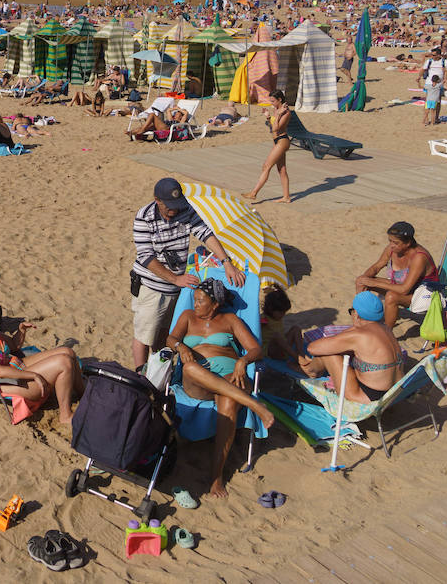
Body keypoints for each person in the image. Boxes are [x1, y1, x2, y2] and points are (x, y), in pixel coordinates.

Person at [130, 177, 247, 369]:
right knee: (145, 334)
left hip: (178, 288)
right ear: (157, 200)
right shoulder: (144, 216)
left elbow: (205, 233)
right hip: (153, 287)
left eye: (176, 206)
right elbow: (146, 257)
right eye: (169, 207)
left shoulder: (185, 208)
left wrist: (227, 262)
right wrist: (175, 278)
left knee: (165, 335)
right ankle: (140, 375)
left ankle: (159, 371)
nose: (174, 211)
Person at [164, 278, 263, 497]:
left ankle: (216, 476)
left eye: (200, 301)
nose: (196, 304)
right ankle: (252, 403)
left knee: (227, 401)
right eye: (195, 300)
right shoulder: (188, 317)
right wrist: (180, 347)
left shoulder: (230, 320)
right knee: (189, 369)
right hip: (198, 382)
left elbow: (255, 349)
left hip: (229, 377)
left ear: (215, 304)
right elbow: (170, 338)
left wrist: (242, 361)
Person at [0, 301, 85, 424]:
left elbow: (13, 345)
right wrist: (34, 375)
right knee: (64, 363)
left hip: (18, 366)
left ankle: (83, 393)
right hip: (9, 381)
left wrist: (21, 330)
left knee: (68, 352)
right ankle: (65, 415)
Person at [306, 292, 405, 403]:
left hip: (369, 396)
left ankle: (310, 371)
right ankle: (311, 368)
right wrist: (353, 329)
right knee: (341, 349)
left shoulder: (359, 336)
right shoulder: (386, 328)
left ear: (356, 313)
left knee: (329, 354)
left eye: (351, 311)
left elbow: (312, 348)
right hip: (394, 391)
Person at [354, 221, 438, 327]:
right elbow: (376, 267)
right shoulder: (392, 249)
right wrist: (365, 278)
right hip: (401, 286)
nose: (391, 245)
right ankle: (361, 320)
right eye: (390, 241)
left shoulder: (419, 257)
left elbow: (404, 289)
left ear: (408, 243)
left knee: (391, 297)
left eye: (396, 243)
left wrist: (373, 283)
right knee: (361, 281)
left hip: (422, 295)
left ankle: (386, 333)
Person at [244, 90, 292, 203]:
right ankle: (286, 197)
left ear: (280, 99)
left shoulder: (286, 112)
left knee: (266, 166)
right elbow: (272, 127)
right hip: (277, 141)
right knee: (282, 170)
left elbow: (276, 128)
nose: (272, 103)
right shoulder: (277, 110)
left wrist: (279, 114)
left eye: (273, 101)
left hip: (282, 141)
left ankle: (253, 193)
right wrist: (268, 117)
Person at [260, 287, 317, 377]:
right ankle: (297, 358)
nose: (283, 315)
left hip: (283, 348)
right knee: (277, 336)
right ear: (271, 310)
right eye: (281, 312)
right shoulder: (264, 319)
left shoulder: (278, 317)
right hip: (271, 352)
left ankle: (301, 355)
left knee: (296, 328)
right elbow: (255, 326)